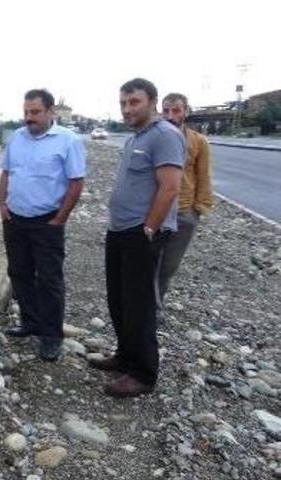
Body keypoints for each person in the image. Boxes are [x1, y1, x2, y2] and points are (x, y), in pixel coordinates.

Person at [89, 78, 184, 397]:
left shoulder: (165, 135)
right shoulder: (134, 138)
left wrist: (148, 228)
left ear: (152, 102)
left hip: (141, 234)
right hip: (120, 230)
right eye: (123, 103)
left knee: (139, 304)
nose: (127, 109)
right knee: (119, 299)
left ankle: (143, 374)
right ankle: (125, 356)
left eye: (134, 102)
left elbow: (169, 187)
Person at [0, 88, 86, 362]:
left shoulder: (68, 141)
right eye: (26, 112)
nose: (29, 118)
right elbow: (6, 172)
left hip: (46, 221)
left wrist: (60, 218)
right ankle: (30, 322)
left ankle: (51, 337)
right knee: (19, 273)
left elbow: (76, 182)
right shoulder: (16, 138)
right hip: (15, 218)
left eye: (35, 112)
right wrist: (2, 205)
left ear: (50, 112)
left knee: (49, 280)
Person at [158, 92, 213, 301]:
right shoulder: (155, 137)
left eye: (176, 110)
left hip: (183, 212)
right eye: (166, 110)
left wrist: (197, 210)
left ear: (186, 112)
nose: (170, 115)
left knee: (168, 266)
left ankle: (155, 305)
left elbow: (204, 175)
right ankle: (143, 307)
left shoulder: (198, 142)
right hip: (154, 211)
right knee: (147, 261)